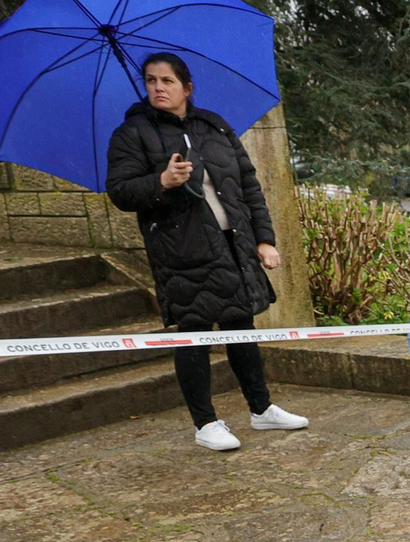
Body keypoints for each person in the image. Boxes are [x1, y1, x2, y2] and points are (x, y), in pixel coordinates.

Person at [106, 52, 307, 451]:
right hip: (181, 249)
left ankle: (261, 409)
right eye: (150, 81)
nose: (158, 88)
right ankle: (205, 422)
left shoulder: (214, 126)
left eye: (167, 81)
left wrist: (264, 240)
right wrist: (161, 181)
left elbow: (248, 186)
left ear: (187, 87)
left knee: (241, 325)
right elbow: (121, 192)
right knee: (194, 331)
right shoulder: (131, 134)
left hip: (232, 244)